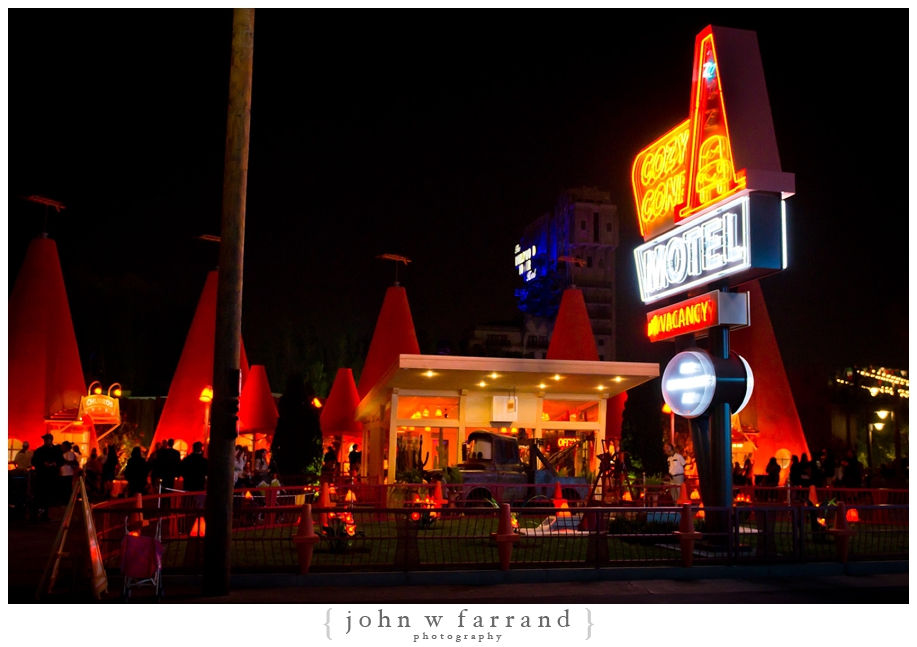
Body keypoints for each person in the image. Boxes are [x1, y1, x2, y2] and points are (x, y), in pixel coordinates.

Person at [31, 434, 63, 521]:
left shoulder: (56, 450)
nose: (45, 441)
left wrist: (55, 463)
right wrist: (43, 464)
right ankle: (37, 514)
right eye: (45, 439)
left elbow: (61, 460)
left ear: (51, 440)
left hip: (51, 476)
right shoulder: (40, 451)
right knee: (40, 495)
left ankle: (43, 515)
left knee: (47, 496)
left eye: (47, 439)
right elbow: (34, 461)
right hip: (42, 476)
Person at [180, 442, 208, 508]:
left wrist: (185, 476)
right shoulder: (204, 461)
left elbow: (181, 470)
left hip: (188, 486)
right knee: (198, 508)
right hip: (199, 487)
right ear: (201, 449)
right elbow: (207, 472)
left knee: (186, 506)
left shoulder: (187, 460)